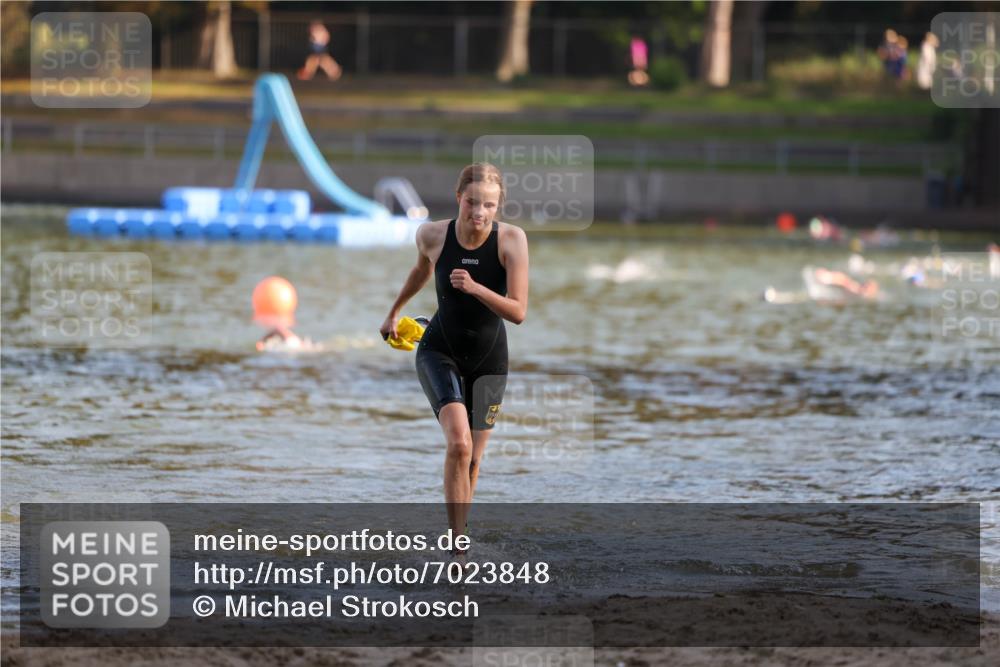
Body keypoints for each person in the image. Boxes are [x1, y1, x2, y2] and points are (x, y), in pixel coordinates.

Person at [380, 163, 529, 558]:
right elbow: (420, 271)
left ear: (498, 207)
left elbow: (517, 312)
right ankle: (457, 548)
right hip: (439, 349)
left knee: (475, 460)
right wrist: (394, 311)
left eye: (489, 205)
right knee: (460, 445)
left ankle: (458, 535)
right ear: (458, 197)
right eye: (472, 202)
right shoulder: (431, 234)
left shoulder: (511, 241)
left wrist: (477, 287)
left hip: (490, 359)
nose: (479, 212)